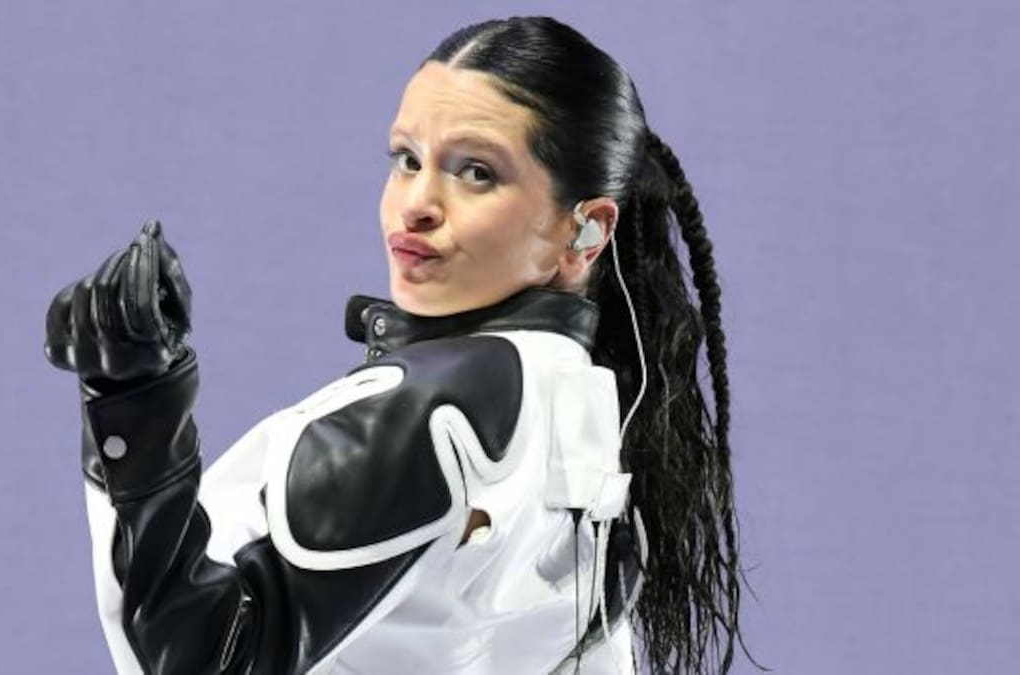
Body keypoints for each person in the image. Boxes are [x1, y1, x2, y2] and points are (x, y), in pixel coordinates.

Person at [44, 15, 748, 675]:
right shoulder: (584, 402)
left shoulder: (435, 408)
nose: (416, 204)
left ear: (585, 232)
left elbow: (195, 657)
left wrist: (133, 399)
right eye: (408, 159)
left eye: (477, 171)